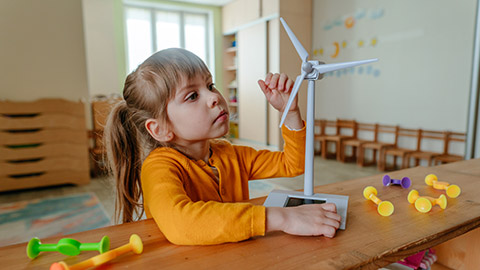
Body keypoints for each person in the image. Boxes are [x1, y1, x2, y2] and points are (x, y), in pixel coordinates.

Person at [104, 48, 341, 245]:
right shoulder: (159, 167)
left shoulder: (229, 153)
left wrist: (290, 112)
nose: (214, 97)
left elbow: (294, 164)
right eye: (192, 96)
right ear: (159, 129)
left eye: (210, 84)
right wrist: (283, 218)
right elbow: (181, 223)